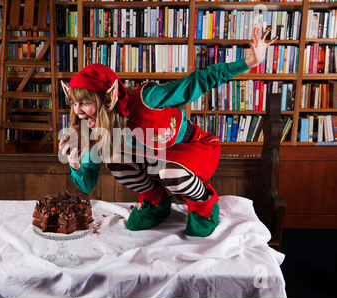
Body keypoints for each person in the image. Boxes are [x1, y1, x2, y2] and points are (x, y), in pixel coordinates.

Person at [59, 23, 277, 237]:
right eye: (74, 103)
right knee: (115, 159)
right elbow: (87, 184)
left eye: (85, 103)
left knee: (168, 171)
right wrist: (75, 164)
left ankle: (204, 205)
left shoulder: (147, 100)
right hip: (156, 159)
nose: (78, 111)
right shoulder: (93, 127)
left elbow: (198, 81)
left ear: (109, 96)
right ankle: (155, 204)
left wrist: (250, 61)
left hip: (192, 147)